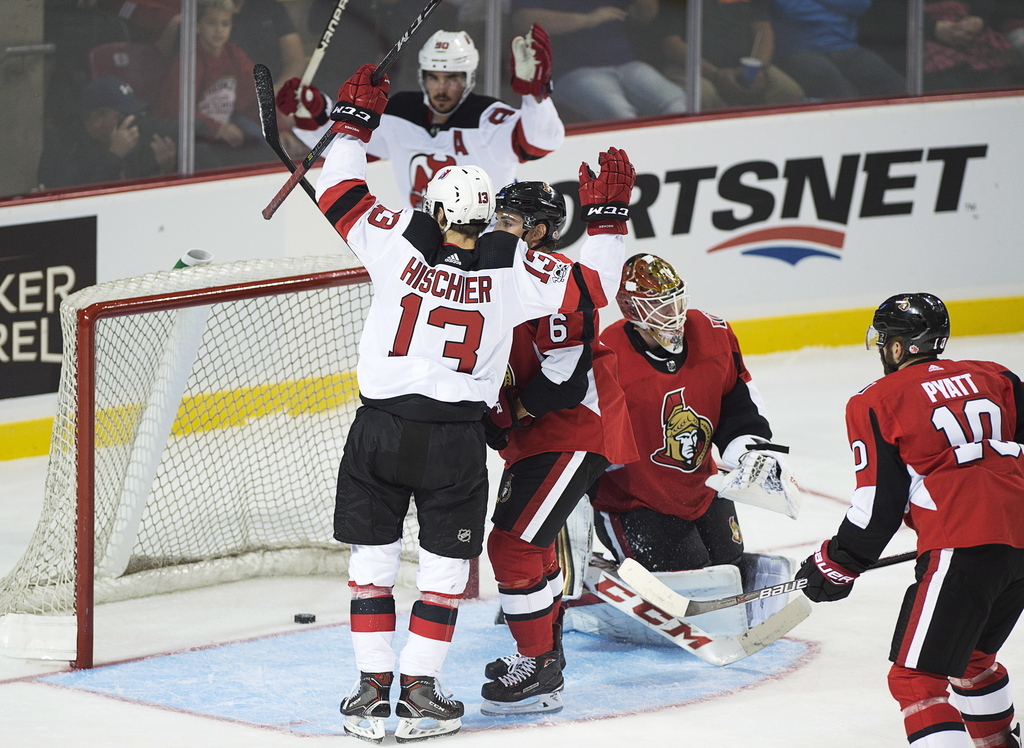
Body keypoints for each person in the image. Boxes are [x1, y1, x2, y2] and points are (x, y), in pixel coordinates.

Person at [317, 62, 634, 742]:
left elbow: (336, 186)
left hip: (377, 428)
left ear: (435, 209)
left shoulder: (396, 240)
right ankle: (423, 691)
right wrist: (607, 218)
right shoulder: (515, 268)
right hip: (453, 441)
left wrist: (352, 124)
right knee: (440, 578)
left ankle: (372, 691)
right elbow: (601, 287)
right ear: (490, 217)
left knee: (371, 570)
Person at [795, 293, 1024, 748]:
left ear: (897, 348)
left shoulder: (877, 399)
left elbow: (878, 506)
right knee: (974, 660)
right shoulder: (998, 378)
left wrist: (837, 562)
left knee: (916, 681)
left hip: (962, 540)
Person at [566, 253, 799, 643]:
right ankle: (582, 595)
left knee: (728, 572)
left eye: (675, 301)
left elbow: (739, 404)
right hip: (634, 500)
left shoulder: (714, 334)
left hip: (702, 489)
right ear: (631, 310)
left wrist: (751, 452)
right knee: (692, 585)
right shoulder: (606, 357)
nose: (672, 314)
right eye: (658, 306)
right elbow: (580, 438)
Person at [478, 182, 639, 716]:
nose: (494, 227)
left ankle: (540, 667)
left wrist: (504, 418)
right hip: (543, 439)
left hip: (571, 433)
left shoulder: (555, 287)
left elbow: (562, 385)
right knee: (536, 548)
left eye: (507, 220)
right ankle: (544, 653)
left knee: (512, 548)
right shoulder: (508, 273)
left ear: (538, 232)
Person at [277, 25, 565, 209]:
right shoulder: (401, 110)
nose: (441, 88)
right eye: (433, 77)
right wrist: (315, 112)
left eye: (452, 78)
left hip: (486, 249)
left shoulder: (489, 117)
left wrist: (535, 95)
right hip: (423, 247)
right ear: (421, 76)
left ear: (468, 79)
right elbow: (346, 142)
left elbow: (540, 143)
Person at [510, 0, 689, 121]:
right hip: (571, 70)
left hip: (626, 63)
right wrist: (588, 20)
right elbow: (523, 20)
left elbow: (645, 14)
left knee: (678, 103)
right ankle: (633, 174)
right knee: (619, 114)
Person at [152, 0, 267, 168]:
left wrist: (281, 128)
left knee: (261, 138)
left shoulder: (233, 53)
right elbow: (176, 109)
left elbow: (255, 93)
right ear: (198, 26)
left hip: (226, 123)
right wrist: (216, 128)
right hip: (192, 133)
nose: (219, 30)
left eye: (224, 24)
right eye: (212, 23)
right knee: (204, 154)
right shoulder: (189, 59)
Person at [652, 0, 805, 110]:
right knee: (703, 96)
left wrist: (758, 70)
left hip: (743, 65)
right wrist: (716, 74)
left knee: (788, 91)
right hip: (690, 68)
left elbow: (763, 30)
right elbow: (671, 44)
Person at [36, 75, 177, 191]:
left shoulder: (130, 142)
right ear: (97, 118)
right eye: (121, 116)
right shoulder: (63, 146)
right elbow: (82, 199)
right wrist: (114, 156)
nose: (130, 122)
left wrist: (166, 170)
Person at [769, 0, 906, 100]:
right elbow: (790, 9)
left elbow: (861, 5)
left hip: (847, 47)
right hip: (800, 51)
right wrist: (836, 8)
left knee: (900, 88)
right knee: (846, 96)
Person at [229, 0, 305, 88]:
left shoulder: (272, 7)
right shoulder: (210, 10)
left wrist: (278, 90)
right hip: (227, 93)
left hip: (278, 90)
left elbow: (295, 61)